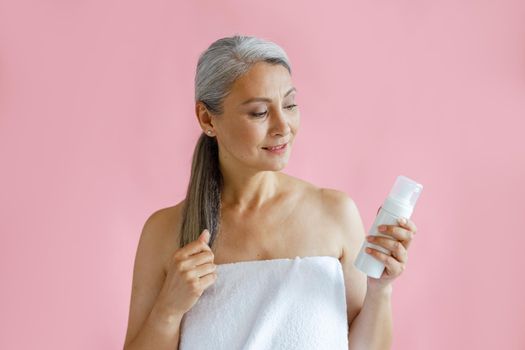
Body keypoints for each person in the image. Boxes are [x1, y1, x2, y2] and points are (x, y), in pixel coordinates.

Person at [123, 35, 418, 350]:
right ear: (207, 118)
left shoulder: (334, 213)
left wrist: (380, 289)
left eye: (290, 105)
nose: (283, 125)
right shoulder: (165, 232)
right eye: (259, 113)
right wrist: (168, 310)